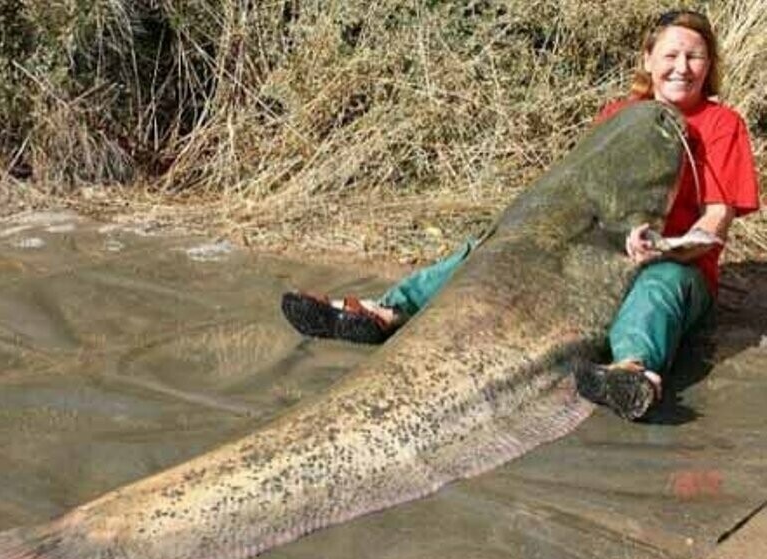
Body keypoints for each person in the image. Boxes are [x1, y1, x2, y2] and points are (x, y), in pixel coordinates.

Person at [281, 10, 760, 420]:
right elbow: (576, 193)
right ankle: (388, 310)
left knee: (658, 290)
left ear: (709, 64)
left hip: (677, 263)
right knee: (489, 251)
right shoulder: (618, 113)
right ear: (648, 60)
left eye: (694, 56)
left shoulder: (723, 125)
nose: (682, 67)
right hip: (599, 249)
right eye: (671, 56)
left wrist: (667, 248)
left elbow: (716, 221)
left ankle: (634, 372)